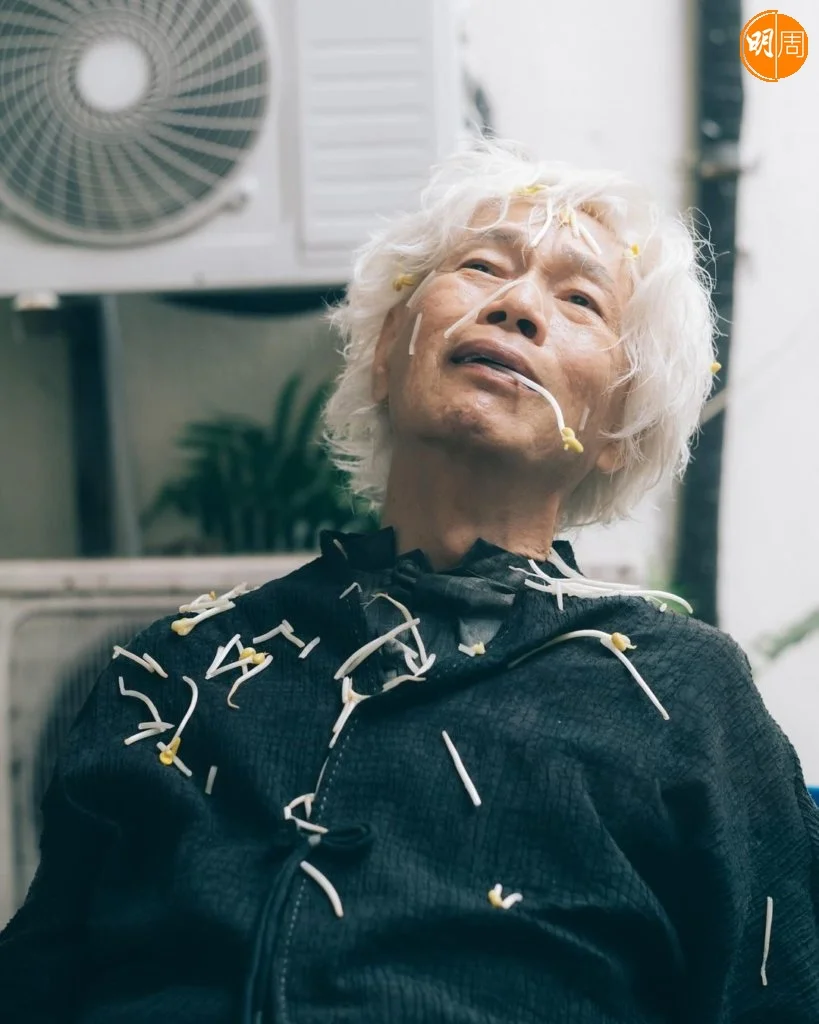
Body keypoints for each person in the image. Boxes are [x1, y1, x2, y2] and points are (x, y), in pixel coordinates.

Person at [1, 138, 818, 1024]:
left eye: (579, 299)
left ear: (621, 426)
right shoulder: (175, 672)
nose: (515, 306)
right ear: (388, 351)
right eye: (481, 267)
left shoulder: (680, 696)